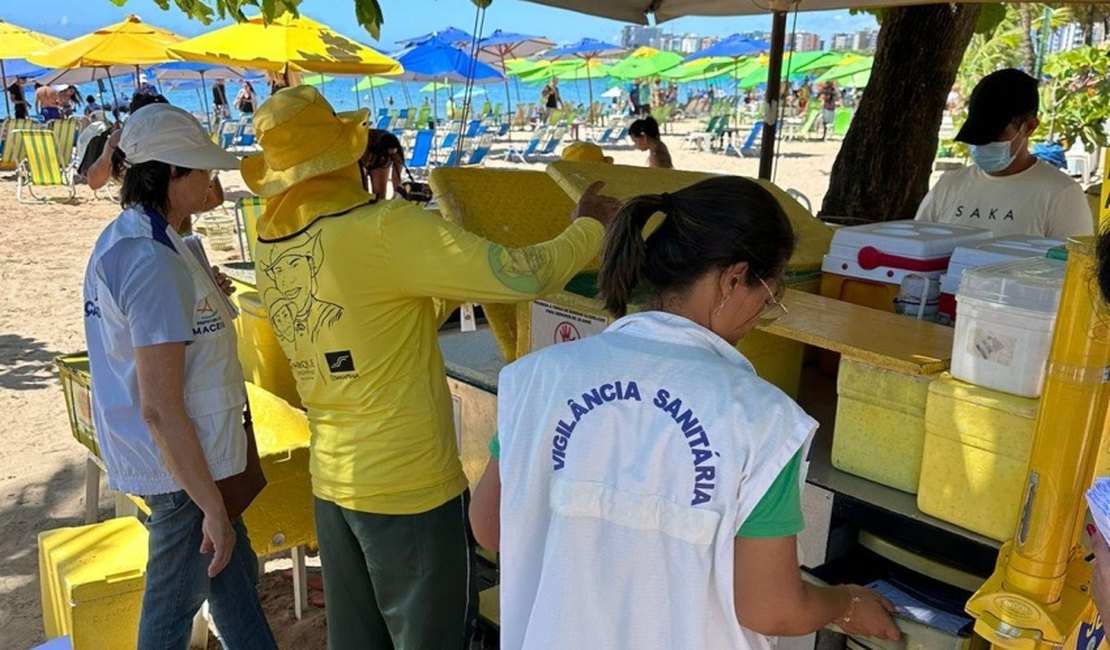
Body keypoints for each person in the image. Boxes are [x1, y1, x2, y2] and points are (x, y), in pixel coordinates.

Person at [241, 85, 620, 650]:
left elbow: (379, 312)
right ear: (347, 155)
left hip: (335, 484)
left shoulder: (271, 241)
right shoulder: (387, 228)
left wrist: (439, 263)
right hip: (408, 488)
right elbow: (520, 275)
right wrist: (587, 226)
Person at [469, 176, 901, 649]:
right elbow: (772, 607)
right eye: (769, 295)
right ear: (733, 278)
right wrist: (846, 603)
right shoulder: (761, 420)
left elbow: (490, 527)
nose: (761, 313)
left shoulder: (538, 378)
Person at [82, 102, 277, 650]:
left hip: (188, 464)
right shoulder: (151, 258)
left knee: (233, 583)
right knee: (169, 619)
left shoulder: (141, 237)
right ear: (171, 172)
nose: (212, 185)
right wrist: (210, 504)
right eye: (201, 171)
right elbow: (160, 407)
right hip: (180, 474)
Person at [914, 69, 1093, 239]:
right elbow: (916, 249)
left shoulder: (1061, 194)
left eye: (993, 136)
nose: (982, 144)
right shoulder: (948, 186)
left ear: (1029, 127)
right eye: (976, 136)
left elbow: (1073, 267)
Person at [359, 129, 404, 198]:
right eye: (388, 154)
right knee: (362, 194)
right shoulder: (366, 145)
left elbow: (396, 177)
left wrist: (397, 196)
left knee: (380, 195)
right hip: (363, 150)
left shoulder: (397, 153)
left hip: (378, 156)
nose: (392, 154)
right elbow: (363, 172)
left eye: (392, 154)